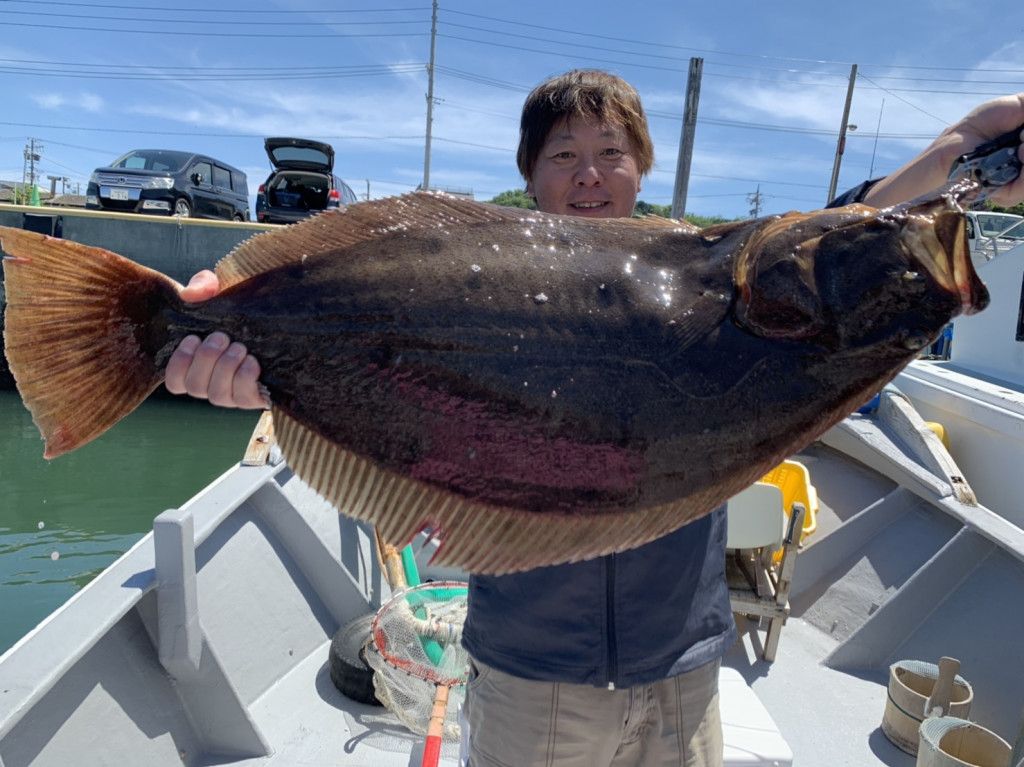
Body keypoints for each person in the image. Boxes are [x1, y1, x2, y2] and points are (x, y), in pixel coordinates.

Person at [164, 72, 1024, 766]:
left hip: (684, 669)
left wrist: (954, 153)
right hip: (530, 677)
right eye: (562, 154)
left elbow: (840, 239)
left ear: (640, 169)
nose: (587, 172)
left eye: (610, 151)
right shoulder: (479, 277)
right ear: (530, 176)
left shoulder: (705, 267)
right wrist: (263, 374)